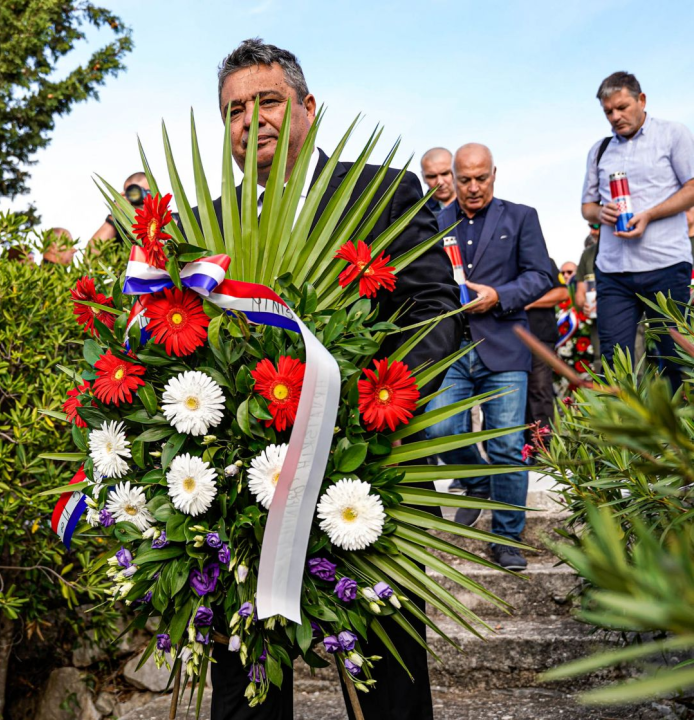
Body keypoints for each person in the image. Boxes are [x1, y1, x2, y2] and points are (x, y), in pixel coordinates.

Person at [203, 38, 461, 720]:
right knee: (243, 684)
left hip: (372, 474)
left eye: (267, 101)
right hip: (242, 495)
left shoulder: (380, 192)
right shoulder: (204, 225)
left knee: (388, 682)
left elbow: (433, 305)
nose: (250, 119)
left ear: (306, 108)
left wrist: (379, 408)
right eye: (234, 109)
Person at [424, 143, 553, 571]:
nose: (474, 187)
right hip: (453, 349)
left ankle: (507, 538)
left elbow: (540, 276)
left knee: (506, 444)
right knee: (440, 428)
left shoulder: (521, 217)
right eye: (465, 179)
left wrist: (500, 296)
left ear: (494, 174)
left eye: (482, 178)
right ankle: (477, 482)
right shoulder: (434, 223)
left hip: (505, 346)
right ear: (452, 179)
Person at [580, 71, 694, 389]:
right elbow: (587, 206)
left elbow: (692, 187)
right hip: (614, 273)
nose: (615, 117)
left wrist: (650, 215)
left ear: (641, 100)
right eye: (608, 112)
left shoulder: (673, 134)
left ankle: (675, 437)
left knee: (674, 360)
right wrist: (600, 212)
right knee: (616, 364)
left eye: (622, 107)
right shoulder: (599, 150)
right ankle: (626, 435)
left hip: (666, 266)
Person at [524, 259, 567, 436]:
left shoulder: (545, 261)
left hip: (540, 335)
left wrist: (525, 303)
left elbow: (562, 293)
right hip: (506, 339)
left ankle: (545, 448)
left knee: (540, 390)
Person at [87, 172, 151, 253]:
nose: (137, 198)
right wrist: (116, 214)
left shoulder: (166, 223)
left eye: (145, 192)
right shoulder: (120, 230)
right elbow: (91, 254)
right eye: (132, 193)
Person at [420, 147, 457, 213]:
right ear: (423, 177)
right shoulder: (418, 214)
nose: (440, 182)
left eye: (445, 174)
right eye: (432, 176)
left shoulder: (477, 205)